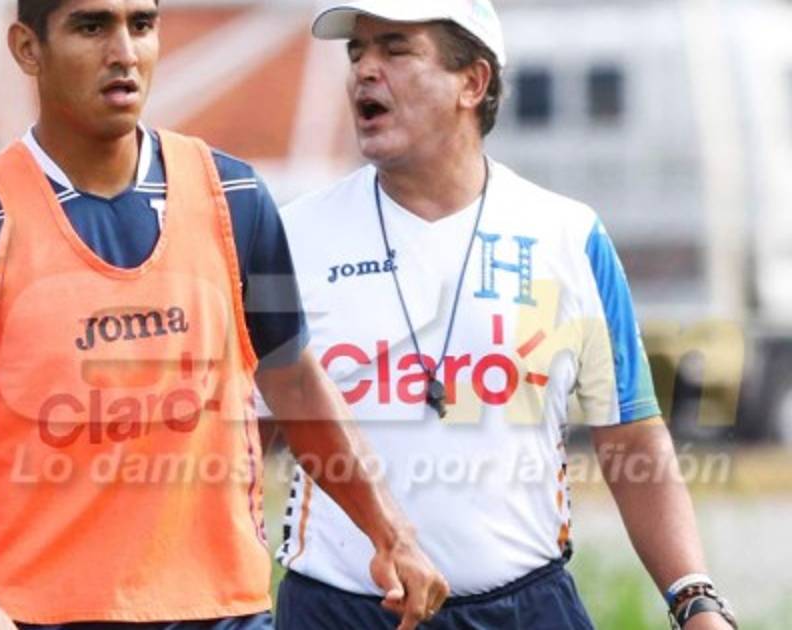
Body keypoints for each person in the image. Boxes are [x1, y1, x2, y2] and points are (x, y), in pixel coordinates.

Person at [0, 1, 448, 629]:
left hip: (225, 612)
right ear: (27, 48)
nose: (124, 53)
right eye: (91, 27)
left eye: (141, 25)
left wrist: (391, 534)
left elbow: (293, 382)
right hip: (34, 616)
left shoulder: (235, 198)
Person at [273, 1, 737, 629]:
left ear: (473, 82)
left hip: (527, 607)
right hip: (337, 611)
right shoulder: (290, 236)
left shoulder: (567, 235)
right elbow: (238, 441)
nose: (364, 70)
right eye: (357, 52)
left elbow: (629, 433)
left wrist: (694, 598)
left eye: (395, 49)